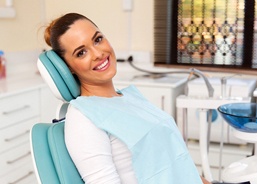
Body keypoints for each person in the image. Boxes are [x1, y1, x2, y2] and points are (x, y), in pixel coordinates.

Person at [44, 12, 211, 184]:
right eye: (81, 53)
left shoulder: (130, 97)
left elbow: (175, 164)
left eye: (98, 40)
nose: (98, 54)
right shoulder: (83, 118)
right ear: (68, 68)